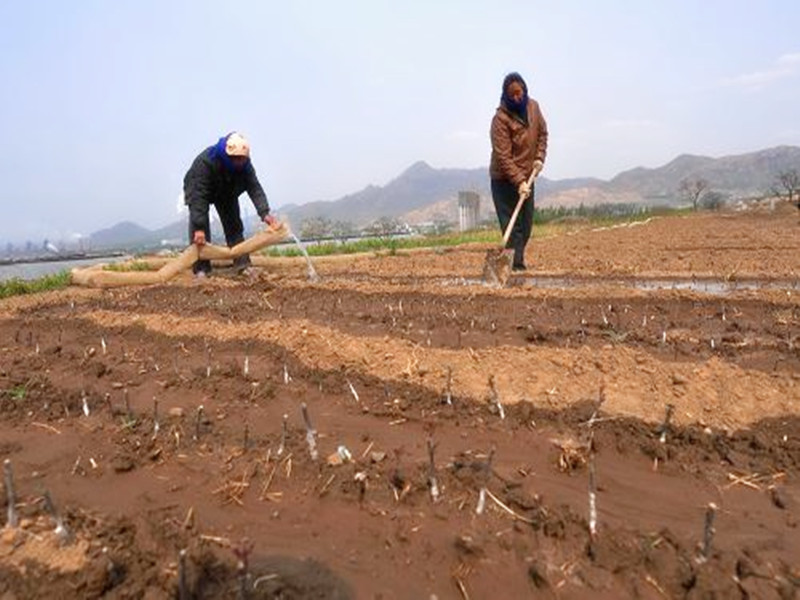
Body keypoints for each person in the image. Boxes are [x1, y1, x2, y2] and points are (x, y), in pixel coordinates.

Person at [183, 132, 277, 277]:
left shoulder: (245, 165)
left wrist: (265, 213)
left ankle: (242, 264)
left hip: (226, 189)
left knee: (234, 226)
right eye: (236, 159)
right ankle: (201, 269)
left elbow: (254, 188)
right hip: (199, 188)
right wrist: (199, 227)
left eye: (242, 159)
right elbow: (199, 197)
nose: (239, 162)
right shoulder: (205, 163)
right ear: (227, 155)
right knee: (200, 233)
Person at [489, 72, 548, 271]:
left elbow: (542, 133)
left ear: (525, 90)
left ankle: (516, 264)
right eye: (512, 95)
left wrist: (539, 157)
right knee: (513, 228)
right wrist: (518, 181)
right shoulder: (500, 120)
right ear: (506, 95)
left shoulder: (533, 107)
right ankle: (516, 268)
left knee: (526, 225)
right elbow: (503, 157)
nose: (517, 98)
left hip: (527, 177)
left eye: (519, 93)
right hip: (504, 180)